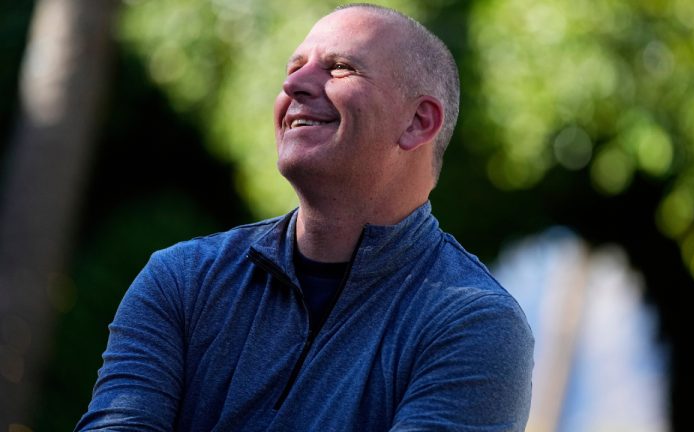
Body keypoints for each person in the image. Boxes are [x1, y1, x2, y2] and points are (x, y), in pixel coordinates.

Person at [75, 3, 534, 431]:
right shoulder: (183, 279)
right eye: (294, 68)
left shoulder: (474, 323)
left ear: (418, 122)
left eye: (340, 67)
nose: (294, 85)